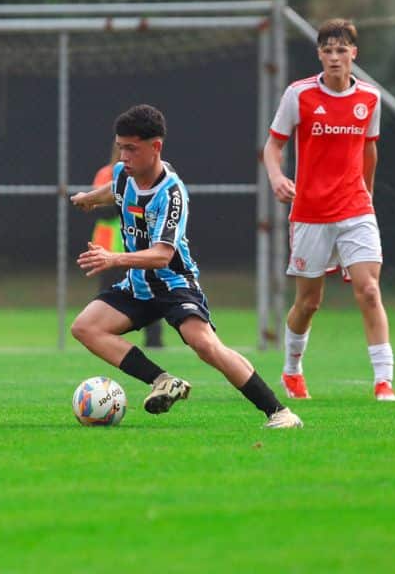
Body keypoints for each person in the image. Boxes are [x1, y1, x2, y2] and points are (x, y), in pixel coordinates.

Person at [69, 104, 302, 429]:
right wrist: (92, 197)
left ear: (156, 147)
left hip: (174, 283)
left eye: (131, 149)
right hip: (138, 284)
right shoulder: (124, 172)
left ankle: (280, 412)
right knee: (84, 327)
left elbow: (163, 255)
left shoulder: (172, 193)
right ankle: (163, 381)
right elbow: (117, 190)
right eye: (121, 147)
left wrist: (113, 258)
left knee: (206, 346)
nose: (123, 157)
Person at [262, 18, 395, 402]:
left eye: (342, 50)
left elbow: (370, 148)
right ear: (319, 54)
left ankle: (384, 381)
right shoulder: (299, 95)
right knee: (309, 303)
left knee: (369, 290)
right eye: (328, 50)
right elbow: (273, 147)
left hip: (356, 209)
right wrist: (276, 178)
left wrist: (366, 195)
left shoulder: (370, 98)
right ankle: (291, 371)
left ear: (354, 54)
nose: (335, 57)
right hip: (311, 213)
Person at [91, 153, 164, 348]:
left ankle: (154, 342)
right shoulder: (107, 174)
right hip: (108, 249)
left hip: (137, 248)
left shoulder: (146, 176)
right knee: (107, 297)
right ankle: (100, 338)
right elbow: (99, 209)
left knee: (147, 292)